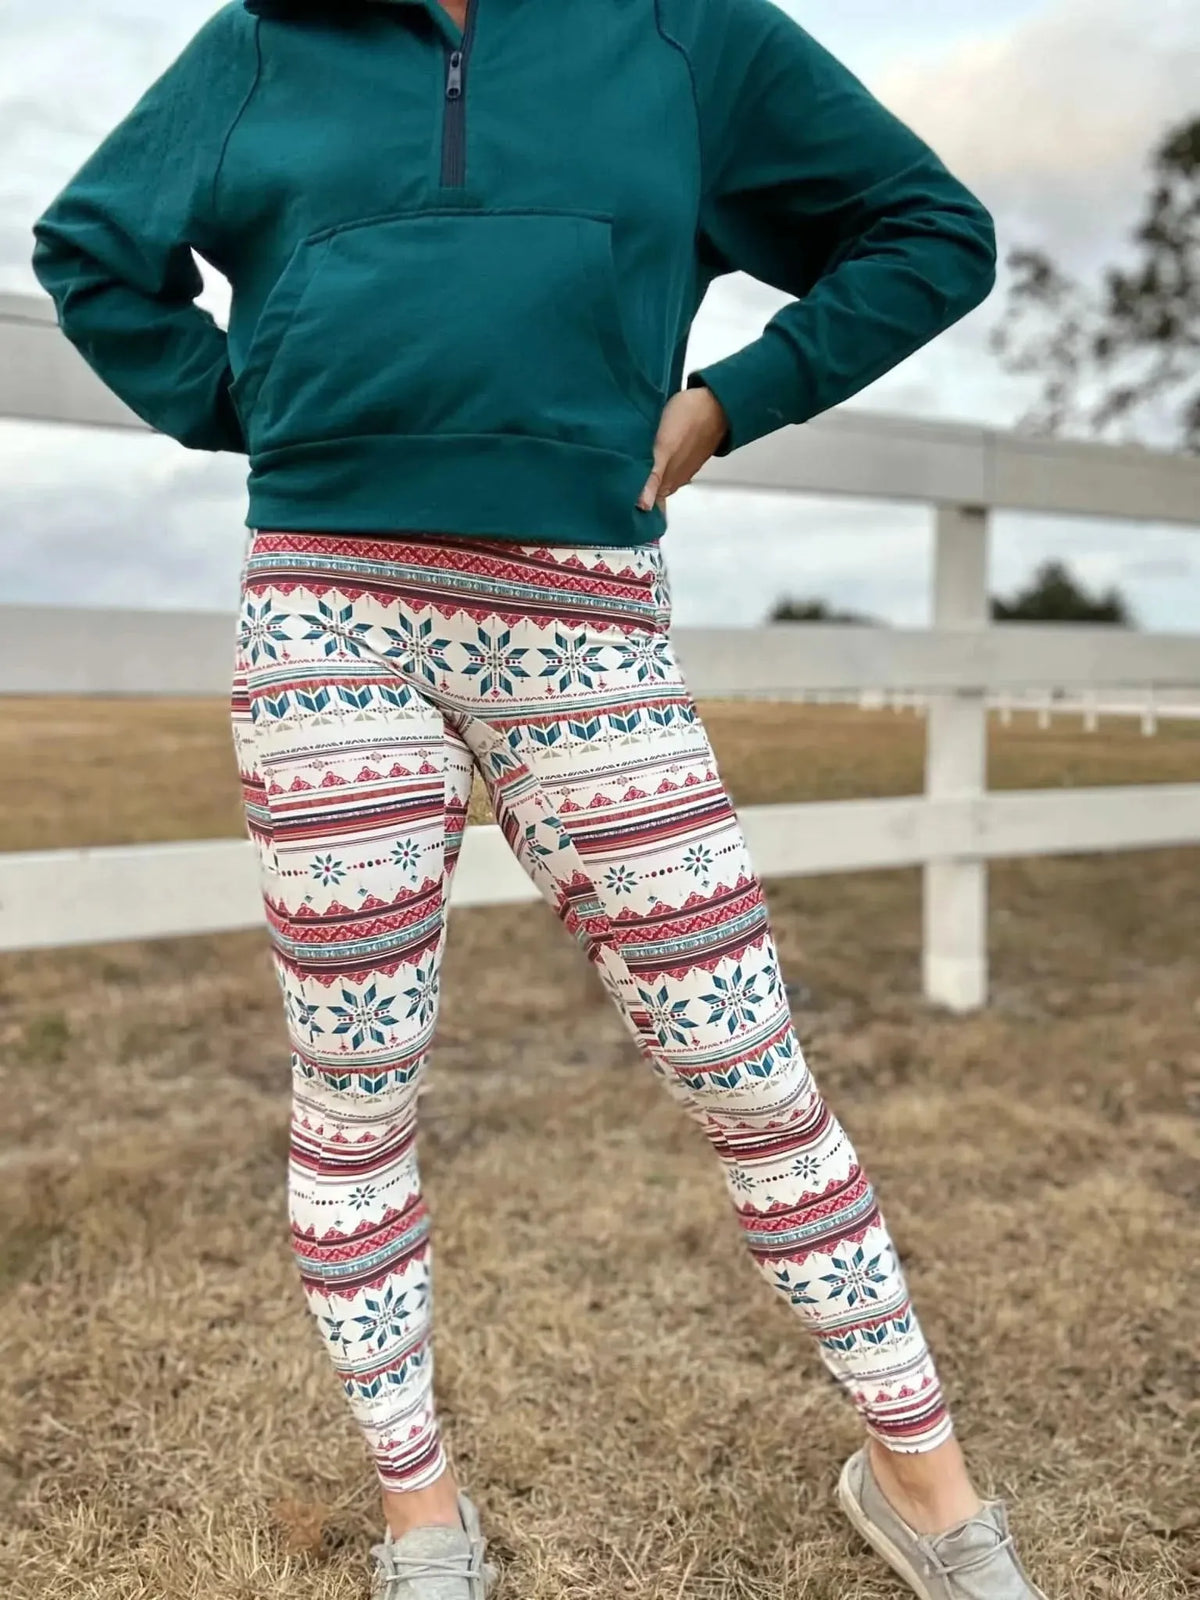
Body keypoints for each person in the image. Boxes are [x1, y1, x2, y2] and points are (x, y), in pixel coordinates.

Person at [31, 3, 1046, 1597]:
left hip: (582, 615)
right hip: (328, 609)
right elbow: (93, 248)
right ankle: (421, 1519)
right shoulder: (257, 44)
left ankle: (923, 1485)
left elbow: (929, 232)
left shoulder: (683, 32)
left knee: (743, 1061)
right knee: (354, 1088)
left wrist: (730, 400)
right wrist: (255, 405)